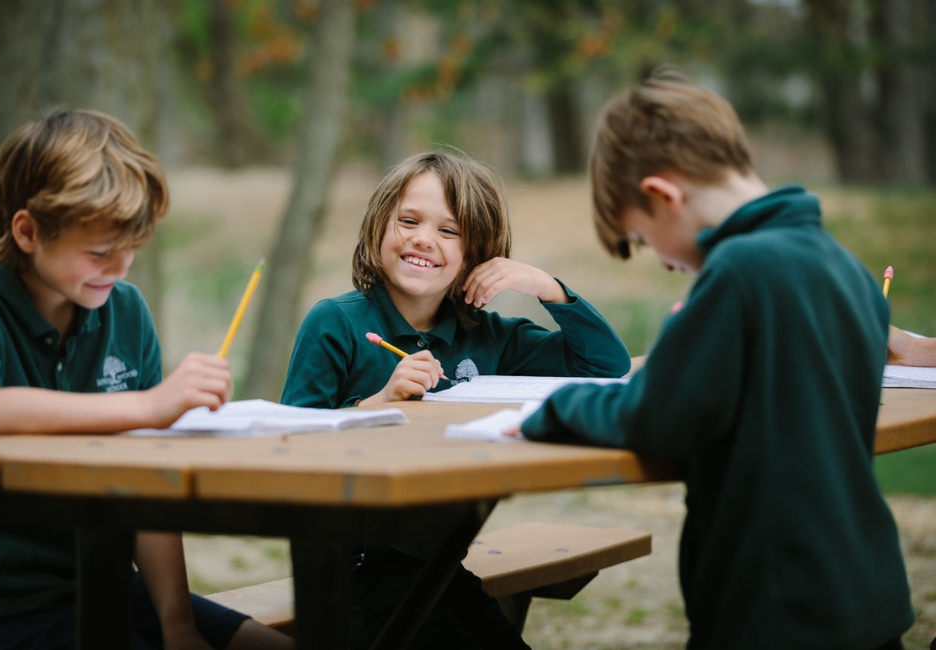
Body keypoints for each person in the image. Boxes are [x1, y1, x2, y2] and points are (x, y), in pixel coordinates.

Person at [519, 73, 914, 649]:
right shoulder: (843, 265)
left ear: (664, 195)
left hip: (775, 607)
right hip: (865, 590)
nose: (658, 259)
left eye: (643, 237)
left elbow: (658, 416)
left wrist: (554, 407)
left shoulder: (739, 273)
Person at [0, 110, 291, 650]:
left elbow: (146, 485)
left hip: (111, 585)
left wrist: (177, 625)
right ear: (27, 231)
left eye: (133, 248)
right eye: (100, 252)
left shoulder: (122, 308)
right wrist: (149, 407)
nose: (121, 268)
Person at [281, 150, 630, 648]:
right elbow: (287, 445)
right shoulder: (335, 323)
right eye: (409, 221)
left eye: (450, 231)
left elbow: (604, 368)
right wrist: (378, 403)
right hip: (352, 571)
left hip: (441, 564)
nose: (424, 238)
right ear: (380, 226)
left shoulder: (492, 337)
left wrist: (548, 288)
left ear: (479, 256)